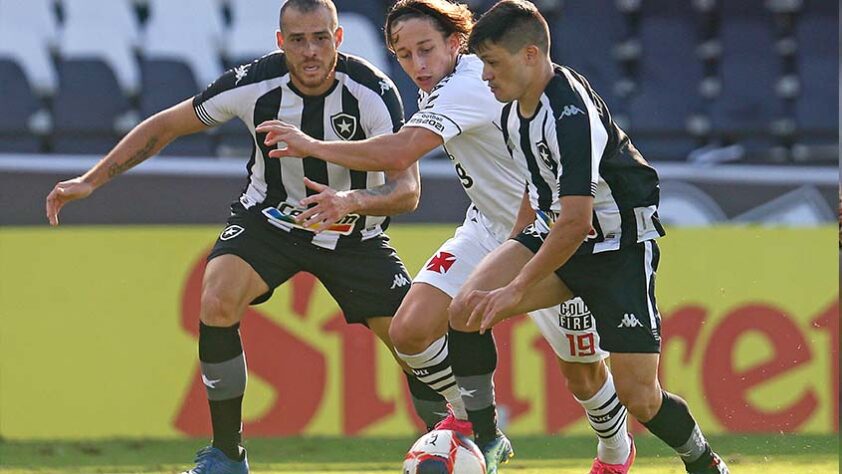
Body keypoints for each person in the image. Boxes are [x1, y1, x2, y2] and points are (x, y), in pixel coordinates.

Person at [44, 1, 449, 473]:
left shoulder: (372, 91)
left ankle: (449, 444)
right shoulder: (253, 83)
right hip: (271, 223)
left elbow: (407, 191)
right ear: (281, 43)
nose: (311, 51)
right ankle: (226, 456)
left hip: (352, 233)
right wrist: (91, 180)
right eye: (298, 40)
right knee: (217, 298)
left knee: (411, 339)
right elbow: (168, 124)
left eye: (321, 38)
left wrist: (350, 202)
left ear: (338, 39)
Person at [255, 1, 634, 472]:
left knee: (583, 375)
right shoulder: (441, 86)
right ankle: (474, 422)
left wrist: (311, 144)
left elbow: (401, 150)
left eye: (426, 50)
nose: (417, 65)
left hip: (547, 234)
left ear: (456, 42)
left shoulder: (471, 83)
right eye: (405, 54)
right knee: (409, 329)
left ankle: (616, 451)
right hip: (486, 228)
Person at [448, 1, 730, 473]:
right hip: (554, 232)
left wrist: (517, 286)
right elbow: (538, 189)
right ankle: (486, 441)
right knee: (466, 308)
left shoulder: (569, 115)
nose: (486, 77)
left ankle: (704, 461)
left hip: (616, 249)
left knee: (640, 397)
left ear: (531, 55)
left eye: (493, 64)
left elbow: (577, 220)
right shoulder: (514, 109)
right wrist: (514, 247)